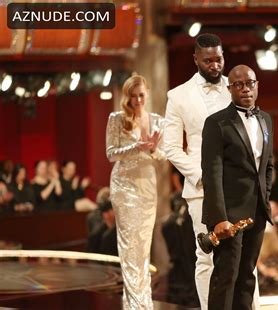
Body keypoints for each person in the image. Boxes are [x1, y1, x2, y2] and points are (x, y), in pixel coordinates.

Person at [163, 33, 232, 309]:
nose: (215, 66)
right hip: (202, 190)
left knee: (245, 256)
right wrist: (202, 176)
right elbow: (171, 147)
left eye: (219, 59)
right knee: (206, 256)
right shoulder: (178, 96)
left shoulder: (236, 86)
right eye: (208, 61)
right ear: (196, 59)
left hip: (237, 187)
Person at [201, 65, 273, 310]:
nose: (246, 89)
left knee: (247, 277)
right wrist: (219, 218)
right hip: (229, 215)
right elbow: (212, 175)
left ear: (257, 85)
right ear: (229, 88)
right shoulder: (216, 123)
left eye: (250, 83)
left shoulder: (266, 120)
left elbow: (267, 166)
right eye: (239, 85)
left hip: (257, 212)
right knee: (226, 277)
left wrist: (266, 200)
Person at [106, 74, 165, 309]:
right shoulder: (117, 119)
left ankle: (142, 303)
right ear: (127, 97)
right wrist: (136, 147)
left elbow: (164, 156)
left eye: (142, 95)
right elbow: (110, 153)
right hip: (124, 187)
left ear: (147, 93)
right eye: (134, 96)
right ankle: (136, 304)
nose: (138, 100)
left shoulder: (158, 120)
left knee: (143, 247)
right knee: (130, 247)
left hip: (147, 188)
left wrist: (151, 149)